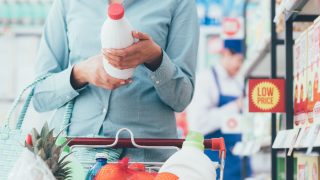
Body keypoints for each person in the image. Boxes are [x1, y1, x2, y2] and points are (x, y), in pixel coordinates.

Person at [32, 0, 199, 162]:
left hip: (144, 162)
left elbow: (181, 99)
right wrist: (80, 73)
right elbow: (40, 96)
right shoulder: (67, 3)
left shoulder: (179, 3)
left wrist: (155, 58)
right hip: (72, 160)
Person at [187, 40, 251, 179]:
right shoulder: (206, 80)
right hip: (214, 160)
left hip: (238, 161)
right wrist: (235, 106)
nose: (241, 65)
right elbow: (198, 124)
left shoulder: (238, 81)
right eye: (239, 60)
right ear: (226, 54)